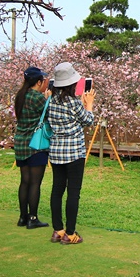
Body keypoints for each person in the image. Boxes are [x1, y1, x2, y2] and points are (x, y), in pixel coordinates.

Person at [47, 62, 95, 245]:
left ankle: (57, 230)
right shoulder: (74, 101)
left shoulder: (51, 100)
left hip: (57, 152)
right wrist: (88, 104)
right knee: (73, 192)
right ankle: (71, 233)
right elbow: (87, 120)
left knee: (57, 190)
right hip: (74, 153)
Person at [13, 66, 50, 229]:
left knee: (24, 182)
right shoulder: (37, 97)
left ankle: (22, 217)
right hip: (36, 144)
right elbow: (49, 115)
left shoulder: (19, 96)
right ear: (39, 81)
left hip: (20, 143)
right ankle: (33, 218)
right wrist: (48, 98)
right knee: (35, 183)